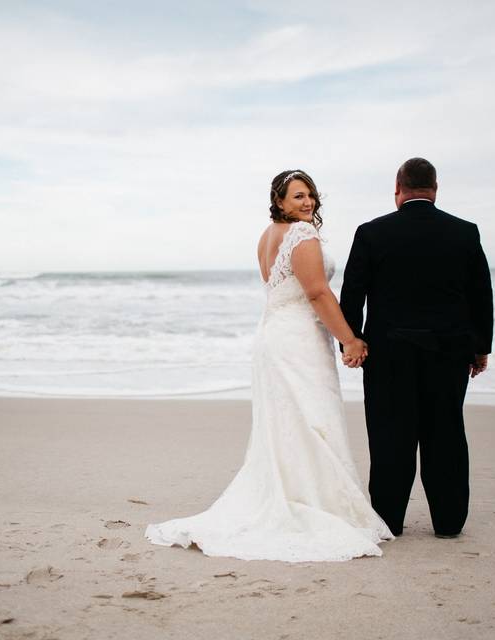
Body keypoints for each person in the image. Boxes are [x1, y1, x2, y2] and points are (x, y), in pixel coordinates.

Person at [144, 169, 394, 562]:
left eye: (310, 194)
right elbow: (316, 292)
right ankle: (315, 506)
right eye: (297, 196)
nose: (307, 202)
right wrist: (349, 339)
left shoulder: (267, 236)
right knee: (311, 420)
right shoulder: (302, 235)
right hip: (297, 341)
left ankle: (297, 493)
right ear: (279, 201)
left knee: (287, 424)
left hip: (274, 335)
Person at [339, 157, 493, 539]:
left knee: (391, 435)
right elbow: (481, 295)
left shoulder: (371, 233)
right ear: (435, 189)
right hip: (449, 353)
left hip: (389, 354)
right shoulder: (464, 232)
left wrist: (351, 341)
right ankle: (448, 521)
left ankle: (389, 521)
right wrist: (480, 348)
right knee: (446, 433)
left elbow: (352, 294)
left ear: (398, 188)